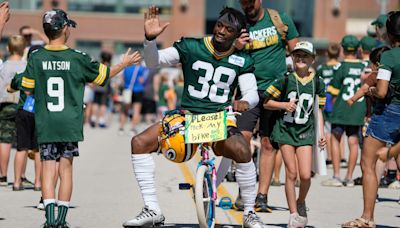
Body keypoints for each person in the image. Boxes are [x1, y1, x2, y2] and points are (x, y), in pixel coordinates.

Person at [123, 6, 265, 228]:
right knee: (139, 142)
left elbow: (252, 93)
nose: (221, 31)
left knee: (243, 149)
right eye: (219, 25)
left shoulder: (242, 60)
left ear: (238, 35)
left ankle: (249, 212)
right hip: (188, 116)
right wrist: (150, 40)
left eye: (228, 29)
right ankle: (152, 209)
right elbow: (153, 62)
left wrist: (245, 102)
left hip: (219, 118)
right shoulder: (191, 46)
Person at [20, 9, 141, 228]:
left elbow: (27, 89)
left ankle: (49, 220)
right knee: (65, 170)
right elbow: (103, 76)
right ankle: (62, 220)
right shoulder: (77, 58)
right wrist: (123, 64)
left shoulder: (36, 57)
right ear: (65, 29)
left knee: (48, 168)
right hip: (69, 122)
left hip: (47, 121)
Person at [234, 0, 299, 212]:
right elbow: (226, 55)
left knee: (268, 143)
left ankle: (262, 195)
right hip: (248, 90)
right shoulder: (238, 24)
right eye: (243, 2)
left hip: (276, 92)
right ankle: (245, 191)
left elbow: (298, 54)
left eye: (250, 2)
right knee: (241, 141)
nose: (247, 6)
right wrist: (237, 47)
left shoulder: (279, 20)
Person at [342, 11, 400, 227]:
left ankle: (367, 217)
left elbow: (383, 91)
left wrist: (371, 91)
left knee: (368, 164)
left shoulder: (389, 57)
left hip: (388, 113)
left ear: (390, 34)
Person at [264, 41, 326, 228]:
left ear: (312, 60)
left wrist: (321, 133)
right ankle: (293, 215)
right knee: (291, 172)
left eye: (305, 56)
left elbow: (319, 110)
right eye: (297, 55)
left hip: (305, 131)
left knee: (306, 174)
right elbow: (266, 102)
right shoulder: (284, 79)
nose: (300, 59)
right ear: (292, 58)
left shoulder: (318, 81)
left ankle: (300, 201)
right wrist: (283, 105)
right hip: (285, 130)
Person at [323, 35, 366, 187]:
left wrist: (333, 107)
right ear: (357, 50)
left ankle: (336, 176)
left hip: (341, 109)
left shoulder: (341, 67)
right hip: (358, 109)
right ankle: (349, 177)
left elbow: (333, 91)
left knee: (336, 139)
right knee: (353, 141)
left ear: (343, 49)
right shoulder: (363, 67)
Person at [0, 35, 27, 187]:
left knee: (4, 140)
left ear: (8, 48)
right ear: (24, 49)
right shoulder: (26, 66)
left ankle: (3, 175)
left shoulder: (3, 66)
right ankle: (20, 175)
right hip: (22, 104)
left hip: (5, 103)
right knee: (22, 143)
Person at [316, 42, 341, 168]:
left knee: (327, 130)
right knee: (338, 129)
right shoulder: (341, 67)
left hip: (326, 99)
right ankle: (341, 156)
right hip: (338, 100)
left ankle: (330, 157)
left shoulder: (321, 68)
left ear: (327, 53)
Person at [90, 51, 112, 128]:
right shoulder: (109, 67)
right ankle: (101, 120)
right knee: (103, 104)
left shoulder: (98, 65)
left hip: (96, 87)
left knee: (95, 103)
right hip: (105, 88)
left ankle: (93, 118)